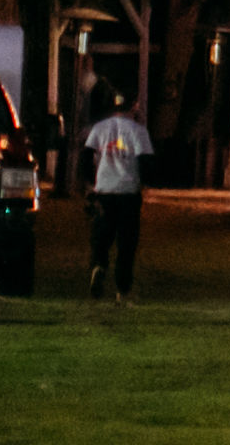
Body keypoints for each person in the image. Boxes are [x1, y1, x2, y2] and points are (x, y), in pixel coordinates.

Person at [79, 81, 152, 305]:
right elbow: (145, 162)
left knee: (101, 236)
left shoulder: (100, 129)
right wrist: (145, 184)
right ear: (133, 105)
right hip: (128, 192)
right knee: (126, 244)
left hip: (105, 190)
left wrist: (90, 185)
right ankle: (122, 289)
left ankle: (99, 266)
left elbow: (85, 158)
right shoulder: (138, 131)